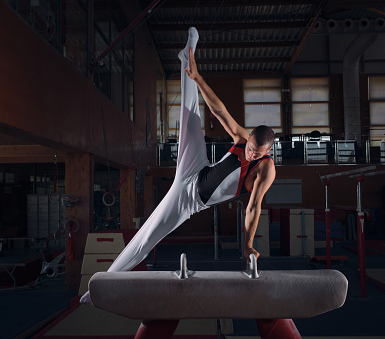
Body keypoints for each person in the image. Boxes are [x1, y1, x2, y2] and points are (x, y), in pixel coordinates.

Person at [80, 27, 275, 304]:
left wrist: (248, 245)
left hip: (188, 200)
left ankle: (99, 286)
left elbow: (254, 206)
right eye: (250, 148)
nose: (251, 153)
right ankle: (187, 60)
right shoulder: (245, 139)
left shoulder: (266, 168)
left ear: (269, 151)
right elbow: (220, 111)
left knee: (147, 238)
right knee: (190, 119)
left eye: (257, 152)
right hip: (195, 168)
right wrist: (199, 78)